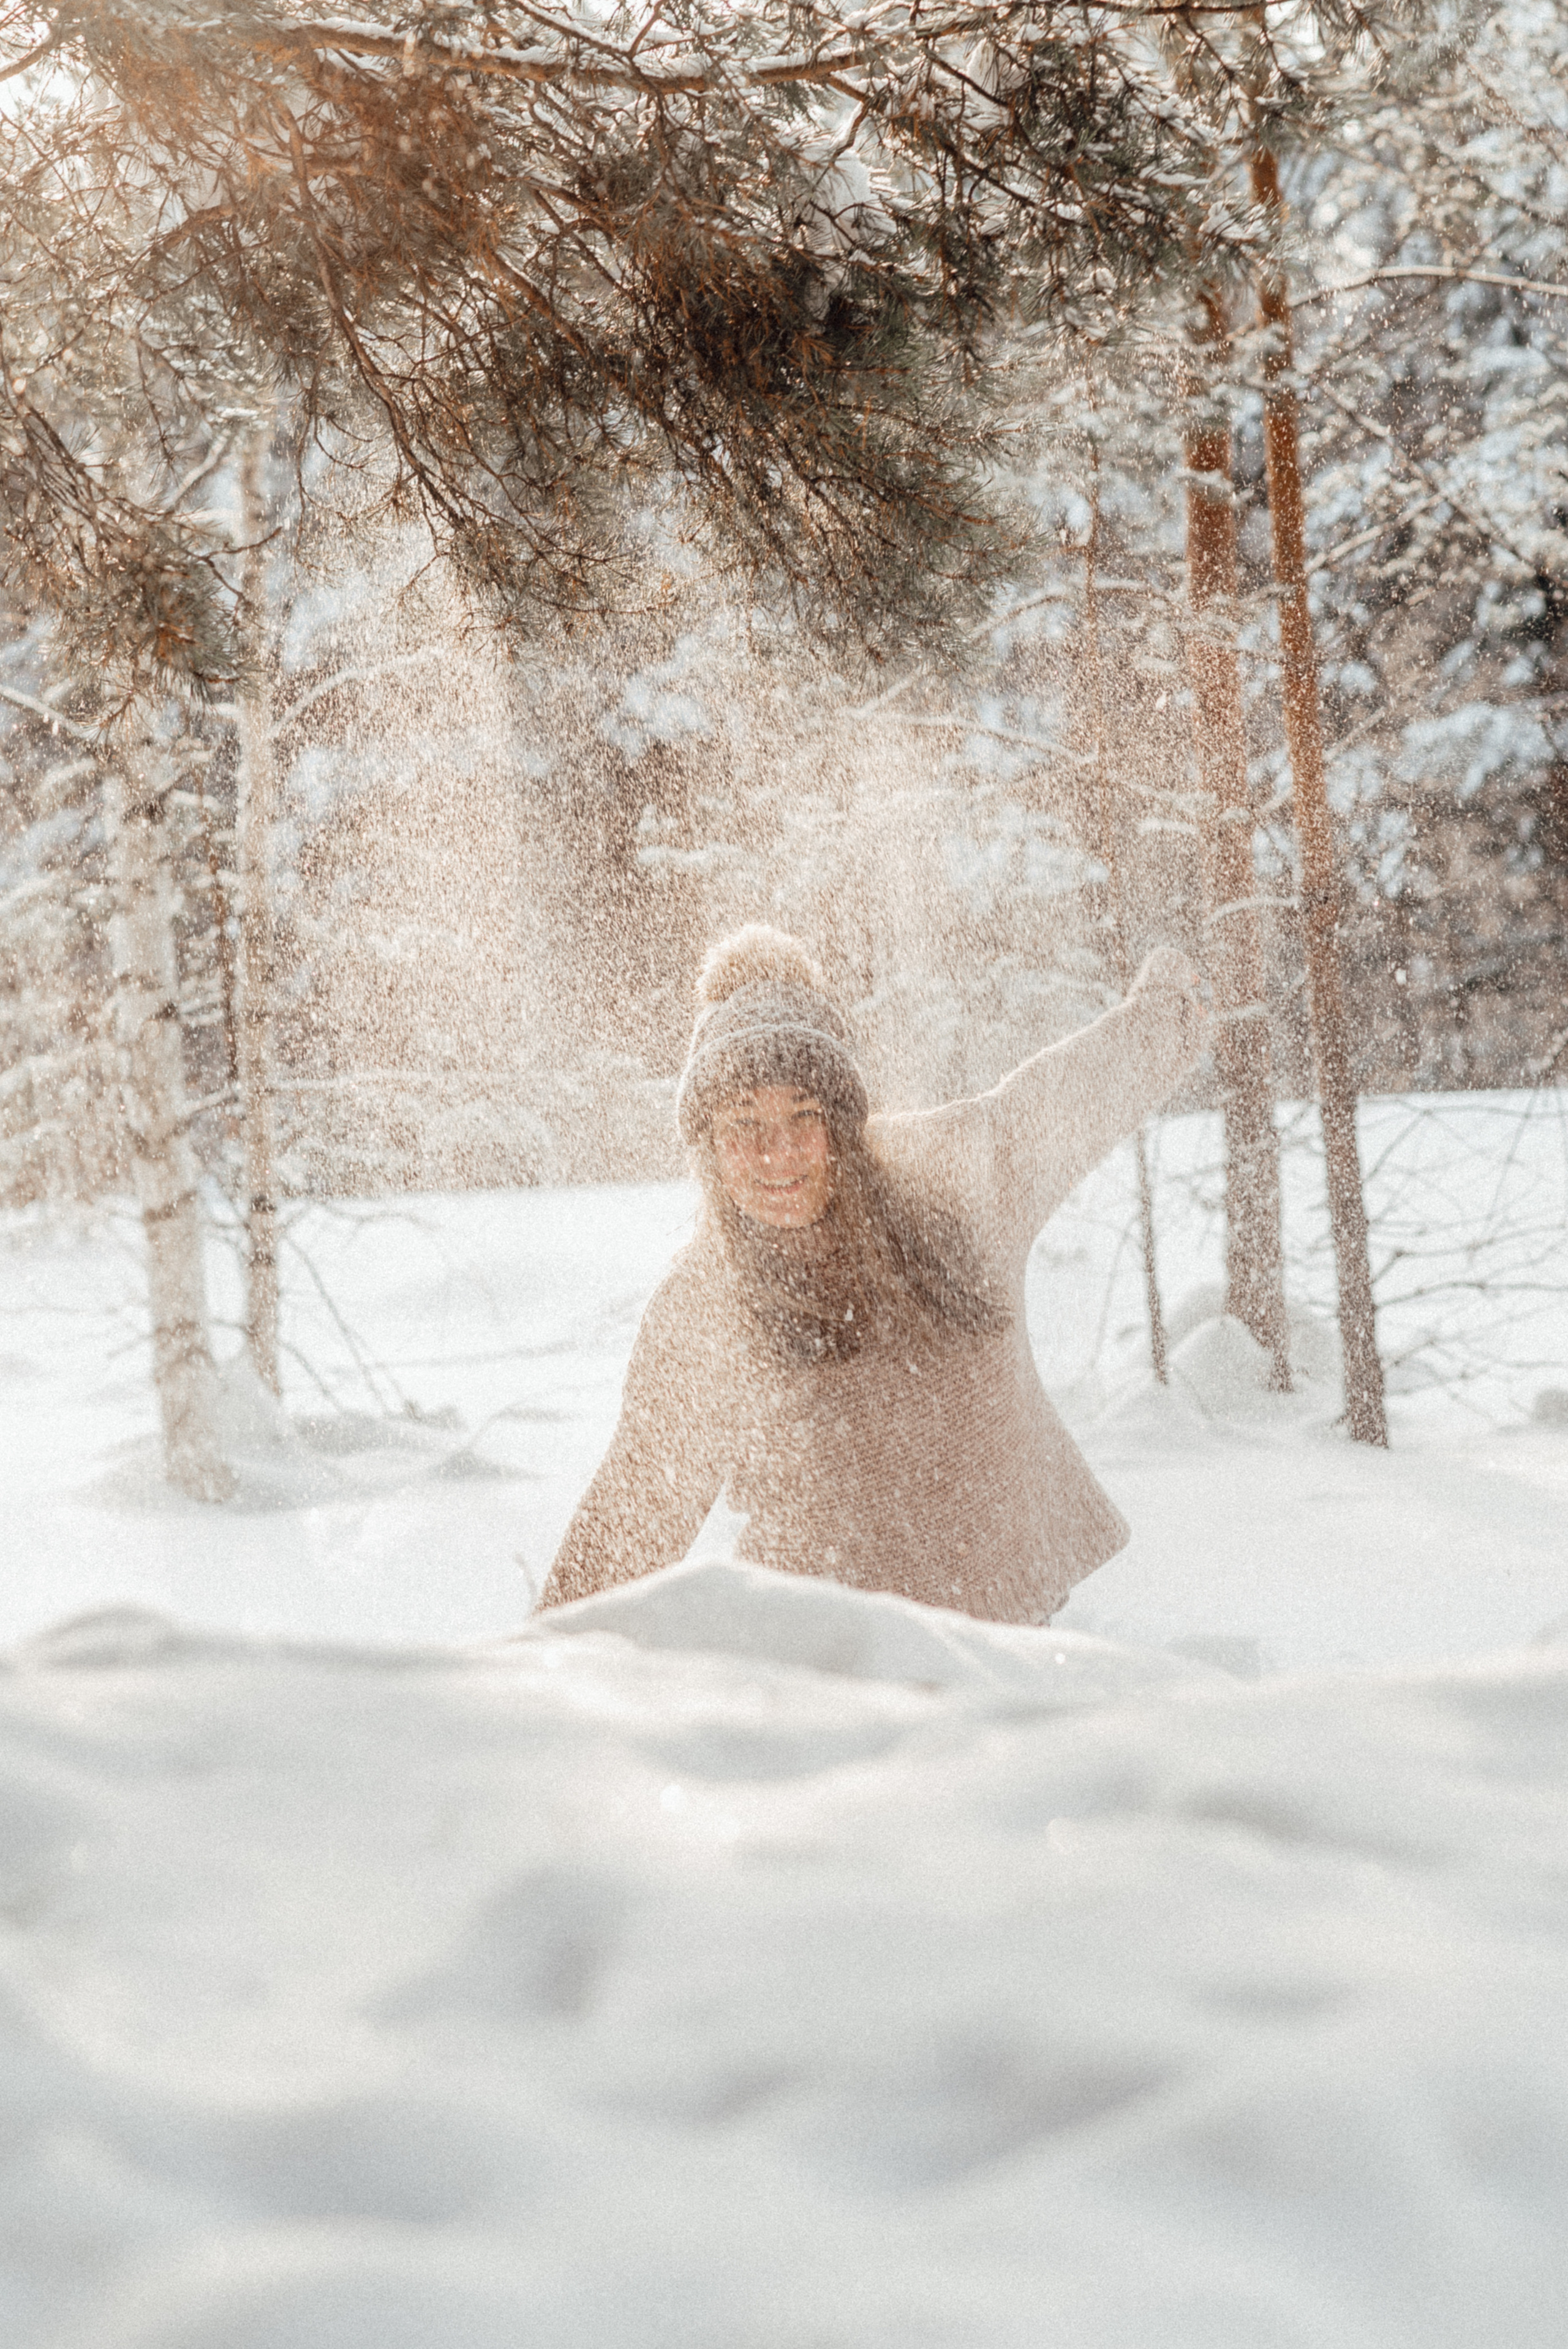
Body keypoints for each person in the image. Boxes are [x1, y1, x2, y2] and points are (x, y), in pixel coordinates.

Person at [537, 925, 1207, 1624]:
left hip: (1009, 1641)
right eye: (744, 1121)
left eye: (804, 1114)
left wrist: (1165, 1016)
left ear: (844, 1124)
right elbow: (631, 1514)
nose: (777, 1152)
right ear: (707, 1143)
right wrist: (540, 1665)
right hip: (834, 1669)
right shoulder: (706, 1307)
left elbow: (1059, 1098)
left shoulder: (942, 1186)